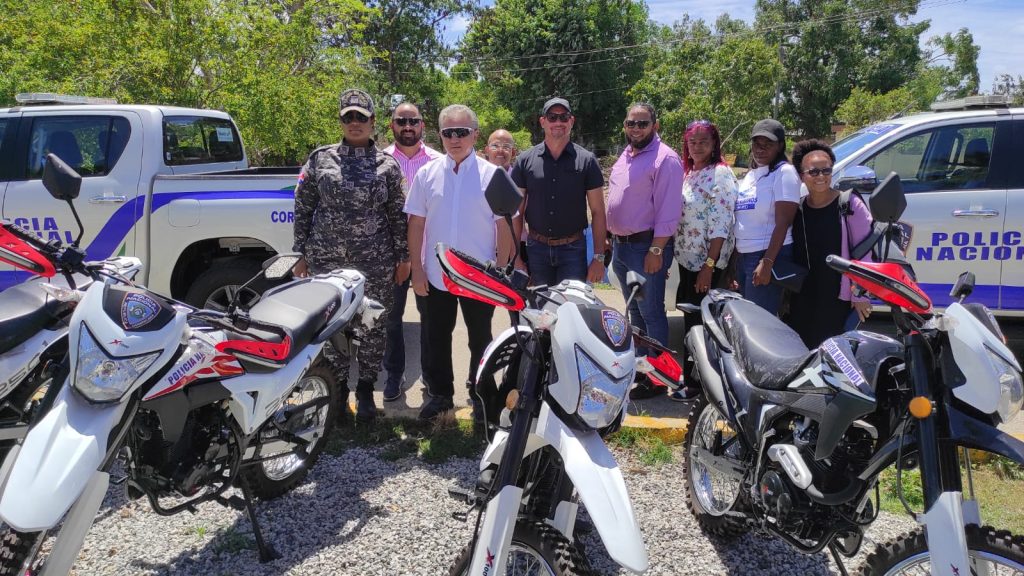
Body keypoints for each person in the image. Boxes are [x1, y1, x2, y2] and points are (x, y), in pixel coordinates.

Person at [292, 88, 408, 424]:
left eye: (361, 117)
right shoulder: (320, 159)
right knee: (332, 327)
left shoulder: (387, 165)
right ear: (341, 122)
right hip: (327, 261)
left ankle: (366, 391)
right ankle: (339, 393)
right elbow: (303, 208)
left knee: (373, 325)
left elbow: (397, 216)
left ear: (373, 122)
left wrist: (403, 258)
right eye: (348, 117)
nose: (354, 123)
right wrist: (300, 254)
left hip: (375, 260)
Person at [405, 105, 515, 421]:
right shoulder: (426, 174)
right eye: (449, 132)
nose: (455, 139)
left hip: (479, 277)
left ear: (475, 134)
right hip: (436, 276)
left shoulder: (493, 175)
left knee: (481, 339)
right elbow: (416, 224)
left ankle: (480, 395)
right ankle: (440, 396)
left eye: (462, 132)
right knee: (435, 338)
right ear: (439, 135)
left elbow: (504, 225)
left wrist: (500, 268)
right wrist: (417, 269)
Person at [604, 103, 684, 400]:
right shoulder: (626, 155)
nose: (635, 129)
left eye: (642, 124)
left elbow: (668, 210)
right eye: (631, 123)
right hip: (623, 247)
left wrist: (657, 249)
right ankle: (641, 370)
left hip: (646, 246)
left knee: (651, 312)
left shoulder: (666, 159)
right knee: (634, 313)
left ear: (655, 125)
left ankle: (660, 378)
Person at [381, 102, 443, 402]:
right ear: (391, 125)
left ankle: (431, 378)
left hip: (427, 256)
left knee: (431, 320)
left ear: (423, 125)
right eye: (401, 121)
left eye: (413, 121)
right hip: (390, 255)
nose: (408, 127)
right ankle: (394, 375)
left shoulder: (438, 162)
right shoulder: (377, 162)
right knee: (391, 320)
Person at [673, 119, 738, 401]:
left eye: (704, 142)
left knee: (703, 326)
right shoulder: (688, 173)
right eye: (692, 141)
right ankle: (693, 378)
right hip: (687, 263)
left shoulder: (720, 175)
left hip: (706, 265)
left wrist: (708, 267)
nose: (697, 147)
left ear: (715, 145)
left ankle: (701, 386)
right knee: (691, 323)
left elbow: (721, 223)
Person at [787, 139, 874, 347]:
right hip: (803, 297)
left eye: (826, 171)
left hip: (838, 296)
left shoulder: (849, 204)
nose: (821, 177)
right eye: (813, 172)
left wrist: (860, 294)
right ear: (802, 176)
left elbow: (866, 253)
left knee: (834, 352)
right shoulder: (797, 209)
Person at [511, 98, 606, 285]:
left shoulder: (587, 161)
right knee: (539, 310)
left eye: (563, 117)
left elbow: (598, 212)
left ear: (571, 121)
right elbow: (516, 213)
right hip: (537, 251)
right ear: (543, 121)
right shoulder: (524, 161)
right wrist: (515, 257)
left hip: (573, 250)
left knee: (571, 310)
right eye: (552, 117)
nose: (558, 122)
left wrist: (599, 257)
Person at [733, 118, 800, 315]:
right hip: (744, 256)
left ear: (780, 146)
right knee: (745, 320)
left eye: (768, 144)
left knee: (759, 322)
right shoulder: (751, 175)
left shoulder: (784, 173)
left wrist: (767, 262)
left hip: (766, 255)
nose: (760, 149)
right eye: (756, 143)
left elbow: (784, 222)